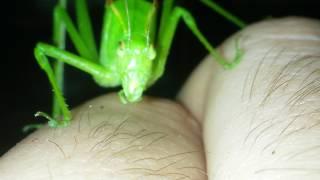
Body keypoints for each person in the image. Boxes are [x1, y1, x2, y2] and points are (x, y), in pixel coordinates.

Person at [0, 17, 319, 180]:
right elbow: (42, 50)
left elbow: (178, 14)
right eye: (130, 53)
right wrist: (61, 116)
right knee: (57, 21)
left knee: (177, 10)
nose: (140, 63)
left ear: (154, 51)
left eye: (149, 54)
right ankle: (62, 111)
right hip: (106, 63)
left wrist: (231, 55)